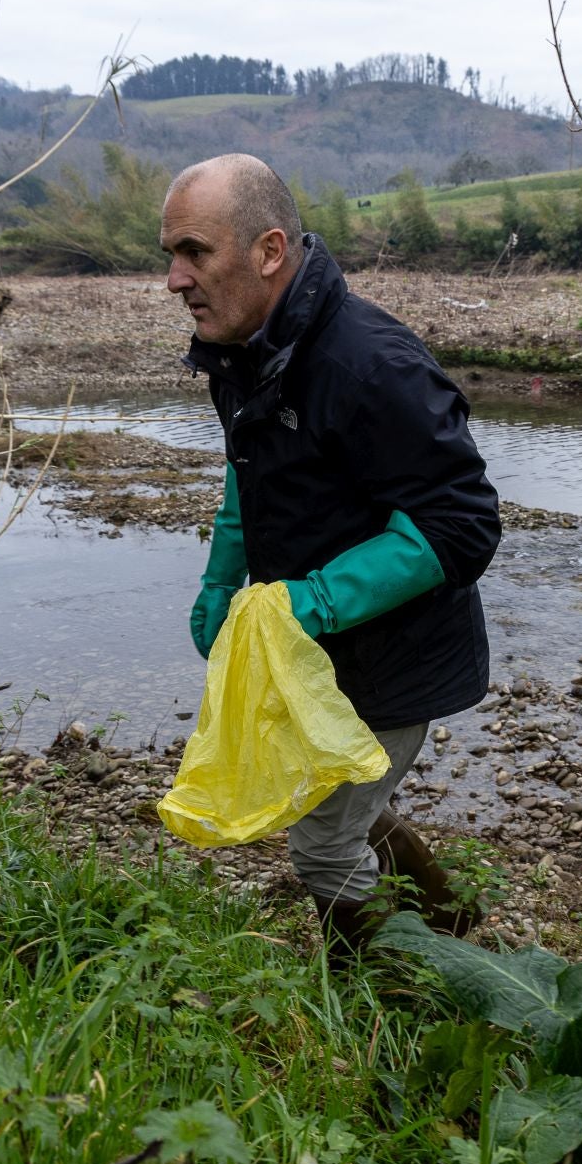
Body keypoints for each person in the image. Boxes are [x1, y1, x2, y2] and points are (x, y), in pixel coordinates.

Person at [161, 153, 502, 961]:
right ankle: (449, 921)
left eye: (195, 252)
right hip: (314, 651)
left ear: (269, 250)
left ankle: (390, 993)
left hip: (393, 655)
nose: (175, 279)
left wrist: (309, 602)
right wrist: (223, 580)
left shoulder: (369, 364)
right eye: (169, 254)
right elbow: (249, 473)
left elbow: (462, 523)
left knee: (320, 845)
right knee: (339, 793)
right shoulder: (243, 347)